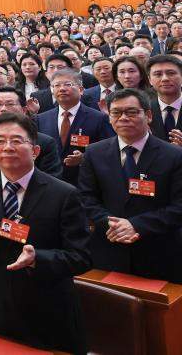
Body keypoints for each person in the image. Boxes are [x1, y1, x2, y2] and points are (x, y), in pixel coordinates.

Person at [0, 113, 91, 354]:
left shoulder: (63, 194)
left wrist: (38, 258)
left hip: (50, 309)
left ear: (36, 150)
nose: (7, 147)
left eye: (17, 141)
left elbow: (81, 256)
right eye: (0, 140)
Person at [78, 89, 182, 282]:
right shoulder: (94, 152)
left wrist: (136, 225)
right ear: (109, 117)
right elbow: (86, 198)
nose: (123, 118)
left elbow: (178, 207)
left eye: (132, 112)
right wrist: (112, 224)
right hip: (109, 248)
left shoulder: (174, 155)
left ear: (148, 115)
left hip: (159, 252)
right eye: (116, 113)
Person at [0, 87, 62, 180]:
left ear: (24, 110)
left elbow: (53, 178)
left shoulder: (44, 141)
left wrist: (3, 172)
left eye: (9, 104)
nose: (3, 109)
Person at [35, 69, 113, 184]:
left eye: (68, 84)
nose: (62, 88)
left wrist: (85, 158)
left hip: (84, 183)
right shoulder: (41, 119)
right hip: (50, 184)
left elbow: (108, 151)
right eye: (56, 85)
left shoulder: (99, 118)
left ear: (81, 90)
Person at [147, 55, 182, 143]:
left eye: (171, 73)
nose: (165, 78)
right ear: (150, 80)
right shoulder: (144, 111)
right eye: (158, 74)